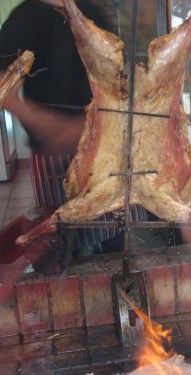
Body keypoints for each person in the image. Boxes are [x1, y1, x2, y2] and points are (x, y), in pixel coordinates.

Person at [0, 0, 122, 270]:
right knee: (59, 250)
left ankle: (111, 304)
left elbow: (112, 80)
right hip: (54, 156)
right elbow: (2, 85)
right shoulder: (28, 17)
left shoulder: (91, 13)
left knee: (112, 244)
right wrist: (45, 123)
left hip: (100, 151)